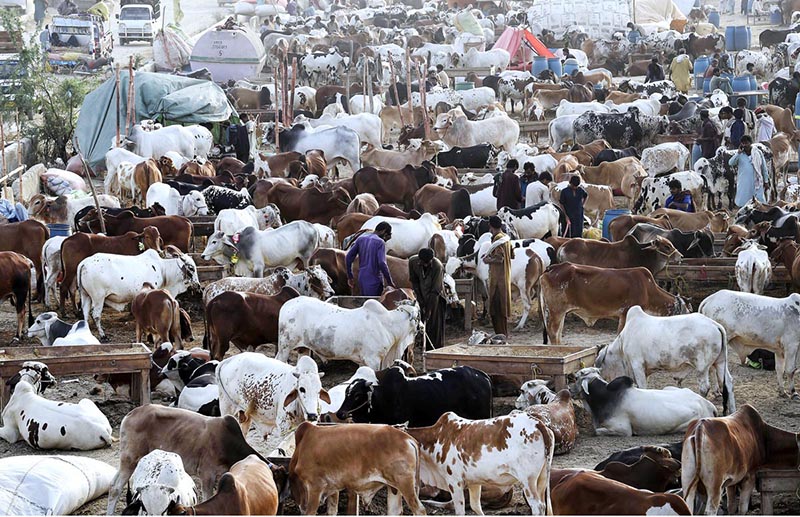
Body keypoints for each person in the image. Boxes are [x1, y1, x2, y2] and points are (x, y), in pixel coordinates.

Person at [409, 248, 446, 349]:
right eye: (423, 262)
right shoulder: (412, 261)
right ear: (419, 260)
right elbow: (414, 281)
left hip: (436, 298)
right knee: (423, 323)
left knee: (434, 324)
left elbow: (435, 291)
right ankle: (423, 344)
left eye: (427, 263)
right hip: (421, 293)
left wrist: (428, 310)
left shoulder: (437, 266)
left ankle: (435, 349)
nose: (425, 265)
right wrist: (420, 301)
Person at [482, 216, 513, 336]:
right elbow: (512, 254)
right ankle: (503, 333)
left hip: (498, 279)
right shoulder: (505, 238)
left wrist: (487, 259)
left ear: (490, 226)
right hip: (505, 277)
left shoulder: (497, 240)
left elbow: (500, 258)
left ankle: (500, 334)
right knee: (501, 309)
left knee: (497, 310)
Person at [346, 221, 396, 296]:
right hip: (374, 279)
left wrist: (350, 276)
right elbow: (382, 263)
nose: (385, 239)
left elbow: (348, 257)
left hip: (362, 278)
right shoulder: (380, 242)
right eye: (386, 236)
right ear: (383, 231)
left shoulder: (361, 239)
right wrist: (389, 281)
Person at [729, 135, 769, 207]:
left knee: (759, 204)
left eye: (746, 143)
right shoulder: (740, 154)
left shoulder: (758, 153)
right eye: (743, 143)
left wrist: (766, 181)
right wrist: (738, 153)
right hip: (744, 183)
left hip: (756, 182)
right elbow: (731, 163)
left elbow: (764, 168)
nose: (745, 145)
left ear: (750, 143)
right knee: (743, 205)